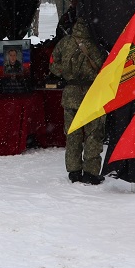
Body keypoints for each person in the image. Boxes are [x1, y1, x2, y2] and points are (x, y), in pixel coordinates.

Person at [50, 16, 106, 185]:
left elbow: (52, 64)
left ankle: (74, 171)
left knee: (72, 134)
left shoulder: (65, 42)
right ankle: (91, 172)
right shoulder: (96, 44)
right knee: (93, 133)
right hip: (92, 93)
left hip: (70, 93)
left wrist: (65, 72)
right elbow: (105, 66)